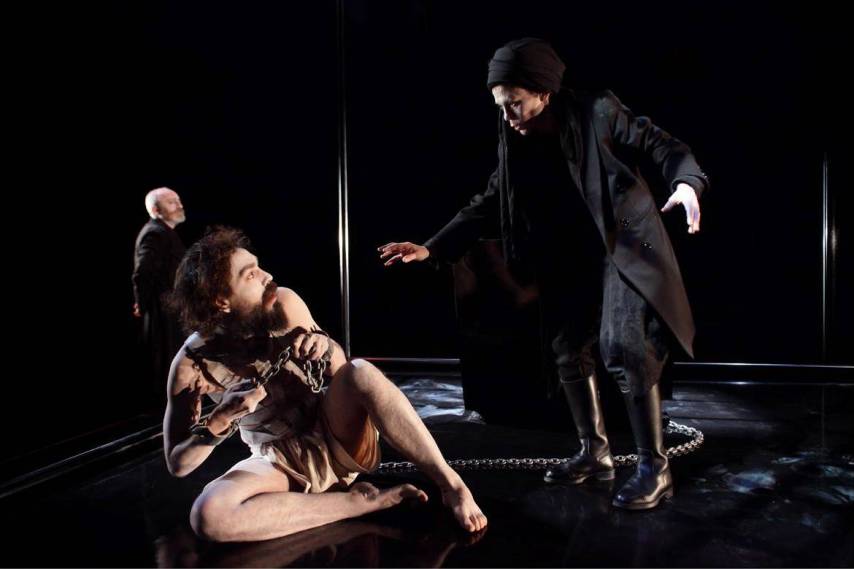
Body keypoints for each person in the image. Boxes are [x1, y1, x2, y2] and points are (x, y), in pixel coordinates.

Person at [379, 38, 709, 510]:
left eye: (515, 103)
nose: (508, 115)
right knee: (567, 349)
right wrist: (431, 247)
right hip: (573, 252)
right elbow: (491, 199)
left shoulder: (597, 110)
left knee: (625, 347)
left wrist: (687, 184)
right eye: (500, 105)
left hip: (623, 243)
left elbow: (661, 144)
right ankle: (595, 453)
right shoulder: (515, 138)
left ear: (544, 92)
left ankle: (654, 469)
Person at [164, 227, 487, 542]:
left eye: (258, 266)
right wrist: (220, 419)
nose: (266, 276)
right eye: (250, 275)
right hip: (277, 463)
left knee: (361, 370)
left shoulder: (285, 302)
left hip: (337, 436)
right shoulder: (191, 366)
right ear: (222, 301)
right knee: (209, 514)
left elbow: (343, 372)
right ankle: (358, 504)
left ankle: (452, 486)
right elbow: (178, 464)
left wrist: (325, 346)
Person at [132, 187, 187, 403]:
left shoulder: (165, 232)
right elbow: (143, 273)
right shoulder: (155, 233)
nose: (179, 205)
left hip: (171, 310)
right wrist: (142, 303)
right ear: (156, 210)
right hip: (164, 313)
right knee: (167, 361)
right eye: (172, 202)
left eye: (178, 200)